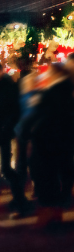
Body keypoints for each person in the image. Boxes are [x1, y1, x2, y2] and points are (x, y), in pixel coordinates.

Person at [28, 62, 74, 229]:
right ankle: (54, 214)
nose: (46, 75)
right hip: (57, 141)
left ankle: (48, 215)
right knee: (51, 177)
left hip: (48, 142)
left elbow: (47, 118)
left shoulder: (56, 91)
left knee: (45, 177)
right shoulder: (65, 89)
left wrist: (34, 132)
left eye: (49, 72)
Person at [0, 56, 28, 217]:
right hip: (4, 130)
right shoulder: (7, 85)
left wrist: (6, 127)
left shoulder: (8, 86)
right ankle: (19, 198)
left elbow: (12, 111)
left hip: (4, 131)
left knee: (6, 168)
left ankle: (20, 198)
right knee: (6, 168)